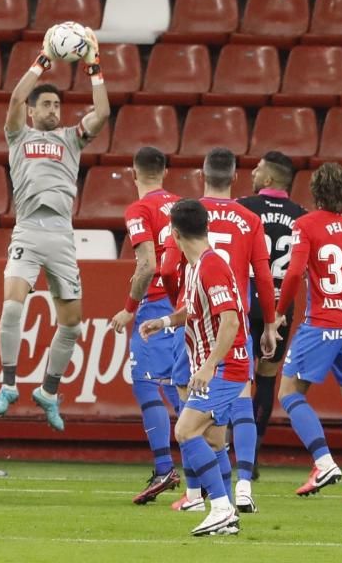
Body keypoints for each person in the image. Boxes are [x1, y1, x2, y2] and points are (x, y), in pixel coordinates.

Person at [0, 27, 110, 431]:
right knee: (11, 306)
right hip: (27, 229)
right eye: (47, 104)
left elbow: (104, 114)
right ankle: (8, 384)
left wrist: (94, 68)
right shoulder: (18, 134)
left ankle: (49, 391)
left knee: (72, 324)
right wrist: (42, 60)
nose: (55, 110)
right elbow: (14, 99)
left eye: (58, 104)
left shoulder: (71, 138)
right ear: (33, 111)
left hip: (61, 233)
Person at [164, 148, 278, 514]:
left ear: (202, 174)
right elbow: (263, 276)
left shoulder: (187, 216)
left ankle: (200, 497)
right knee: (229, 417)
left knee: (188, 418)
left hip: (212, 333)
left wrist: (180, 306)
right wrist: (271, 321)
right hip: (236, 322)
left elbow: (167, 268)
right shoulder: (248, 218)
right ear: (234, 178)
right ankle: (240, 489)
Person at [140, 199, 250, 537]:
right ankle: (226, 513)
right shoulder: (196, 267)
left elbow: (230, 322)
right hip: (220, 365)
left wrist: (207, 367)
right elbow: (193, 308)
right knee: (214, 441)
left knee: (185, 431)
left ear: (174, 233)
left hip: (225, 367)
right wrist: (164, 321)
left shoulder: (211, 266)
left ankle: (219, 507)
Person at [276, 163, 342, 500]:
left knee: (290, 393)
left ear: (317, 192)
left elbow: (294, 274)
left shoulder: (306, 224)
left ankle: (323, 461)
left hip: (322, 323)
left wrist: (279, 312)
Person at [109, 147, 182, 505]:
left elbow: (148, 264)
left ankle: (165, 467)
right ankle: (206, 469)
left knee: (146, 384)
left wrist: (128, 309)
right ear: (165, 172)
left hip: (154, 305)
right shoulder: (184, 206)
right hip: (183, 305)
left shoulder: (139, 210)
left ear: (133, 174)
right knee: (178, 386)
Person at [237, 151, 307, 480]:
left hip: (244, 301)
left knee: (234, 378)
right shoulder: (302, 216)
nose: (252, 172)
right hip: (281, 306)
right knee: (266, 378)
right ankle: (252, 457)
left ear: (268, 179)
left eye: (258, 168)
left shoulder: (242, 208)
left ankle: (226, 448)